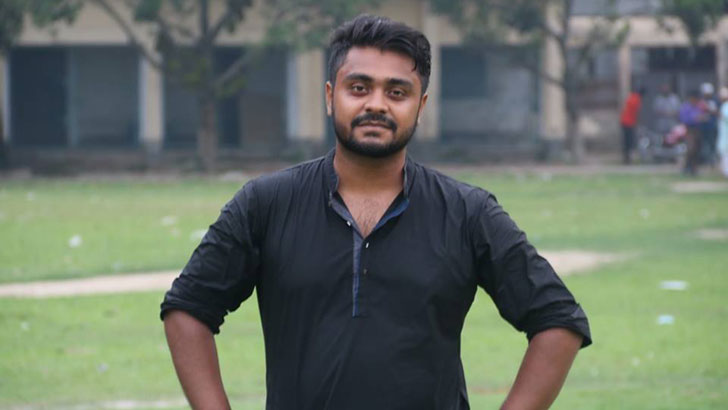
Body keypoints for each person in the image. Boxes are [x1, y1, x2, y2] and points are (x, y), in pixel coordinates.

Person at [160, 15, 591, 410]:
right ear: (330, 97)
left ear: (420, 106)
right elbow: (188, 308)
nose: (377, 105)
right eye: (359, 88)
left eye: (397, 92)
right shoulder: (265, 204)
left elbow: (558, 320)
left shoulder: (468, 213)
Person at [679, 91, 705, 176]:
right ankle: (687, 167)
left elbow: (702, 116)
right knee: (690, 149)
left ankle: (694, 168)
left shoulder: (698, 107)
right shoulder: (686, 107)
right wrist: (694, 118)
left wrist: (701, 118)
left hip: (697, 130)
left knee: (697, 149)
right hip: (689, 130)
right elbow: (683, 119)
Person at [620, 86, 646, 164]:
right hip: (629, 123)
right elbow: (636, 113)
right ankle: (628, 158)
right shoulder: (637, 99)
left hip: (624, 121)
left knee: (626, 141)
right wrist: (638, 123)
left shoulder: (631, 97)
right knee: (629, 141)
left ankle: (626, 158)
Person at [699, 82, 719, 165]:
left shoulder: (714, 101)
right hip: (702, 126)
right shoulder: (700, 101)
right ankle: (704, 160)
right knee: (703, 144)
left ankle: (712, 160)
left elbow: (717, 112)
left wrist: (709, 109)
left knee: (712, 144)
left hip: (712, 126)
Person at [718, 87, 728, 177]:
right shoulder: (724, 106)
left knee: (725, 153)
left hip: (726, 134)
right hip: (724, 133)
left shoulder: (725, 106)